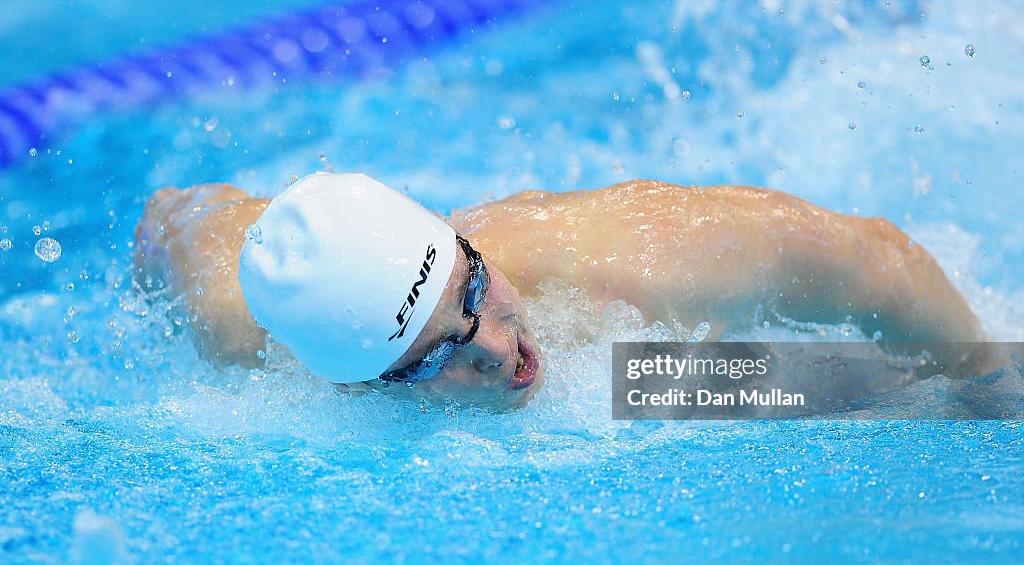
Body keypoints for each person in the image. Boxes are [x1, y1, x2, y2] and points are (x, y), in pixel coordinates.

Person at [133, 171, 993, 411]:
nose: (502, 350)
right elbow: (174, 216)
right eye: (436, 360)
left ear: (467, 245)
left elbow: (872, 259)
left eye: (478, 289)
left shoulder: (632, 266)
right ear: (359, 383)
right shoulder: (240, 321)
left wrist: (988, 375)